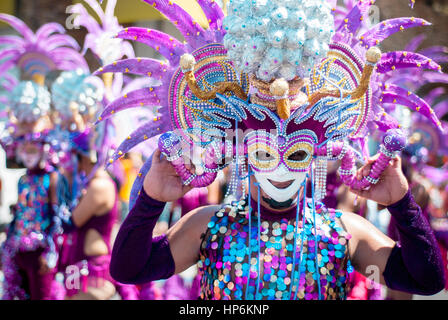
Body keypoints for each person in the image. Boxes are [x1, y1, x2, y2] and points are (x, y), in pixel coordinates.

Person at [98, 0, 446, 299]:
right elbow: (130, 269)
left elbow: (427, 281)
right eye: (264, 154)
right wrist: (151, 199)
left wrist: (402, 203)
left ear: (315, 157)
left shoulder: (344, 232)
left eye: (296, 154)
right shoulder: (210, 227)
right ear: (243, 154)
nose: (279, 169)